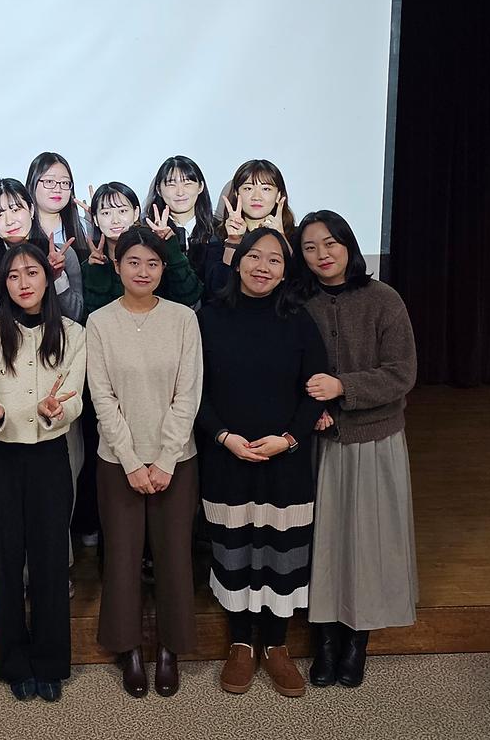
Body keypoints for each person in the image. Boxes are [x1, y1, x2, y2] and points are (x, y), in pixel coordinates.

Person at [195, 227, 327, 698]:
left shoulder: (300, 320)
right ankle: (240, 643)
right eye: (254, 256)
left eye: (274, 260)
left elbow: (316, 389)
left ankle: (276, 644)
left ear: (285, 271)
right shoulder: (208, 318)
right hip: (226, 456)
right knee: (234, 550)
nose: (263, 267)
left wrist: (288, 439)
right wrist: (224, 437)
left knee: (282, 554)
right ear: (238, 261)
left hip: (284, 459)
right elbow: (194, 391)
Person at [293, 211, 418, 689]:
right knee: (323, 541)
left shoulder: (384, 299)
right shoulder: (297, 301)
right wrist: (311, 408)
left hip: (374, 439)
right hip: (318, 441)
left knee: (365, 542)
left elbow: (401, 373)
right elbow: (287, 367)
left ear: (348, 244)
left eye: (330, 243)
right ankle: (324, 640)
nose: (322, 254)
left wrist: (342, 387)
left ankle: (356, 640)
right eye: (310, 247)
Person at [87, 228, 203, 698]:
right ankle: (129, 649)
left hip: (177, 460)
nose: (143, 271)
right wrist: (132, 462)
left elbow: (187, 394)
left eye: (152, 263)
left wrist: (166, 458)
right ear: (117, 266)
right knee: (122, 556)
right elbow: (102, 398)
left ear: (162, 269)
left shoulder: (183, 320)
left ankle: (170, 649)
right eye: (133, 262)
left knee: (174, 556)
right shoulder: (99, 322)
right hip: (118, 461)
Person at [0, 243, 85, 702]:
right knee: (6, 560)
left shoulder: (72, 332)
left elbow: (74, 395)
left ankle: (51, 661)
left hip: (49, 455)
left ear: (47, 278)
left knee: (51, 561)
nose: (23, 283)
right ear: (4, 283)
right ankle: (13, 661)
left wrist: (58, 410)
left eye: (31, 273)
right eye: (13, 276)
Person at [0, 178, 82, 322]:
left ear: (31, 210)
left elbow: (75, 316)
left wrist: (56, 278)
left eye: (15, 210)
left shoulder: (62, 255)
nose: (9, 221)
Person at [81, 182, 203, 314]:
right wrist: (98, 271)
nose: (115, 220)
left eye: (122, 211)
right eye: (106, 213)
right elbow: (96, 316)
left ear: (136, 213)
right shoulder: (91, 266)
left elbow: (190, 297)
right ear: (95, 219)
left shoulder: (155, 257)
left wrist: (171, 248)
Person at [208, 158, 296, 298]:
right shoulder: (217, 236)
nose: (256, 197)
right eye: (248, 188)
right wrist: (233, 240)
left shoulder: (296, 236)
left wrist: (281, 237)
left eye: (266, 189)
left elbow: (298, 284)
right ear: (236, 194)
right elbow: (218, 289)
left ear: (278, 195)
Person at [142, 155, 219, 268]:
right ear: (159, 190)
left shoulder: (219, 231)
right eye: (171, 184)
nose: (180, 192)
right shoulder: (146, 232)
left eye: (187, 183)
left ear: (200, 187)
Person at [26, 152, 90, 259]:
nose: (57, 189)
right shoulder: (19, 229)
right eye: (49, 181)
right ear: (32, 183)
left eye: (64, 183)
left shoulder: (85, 228)